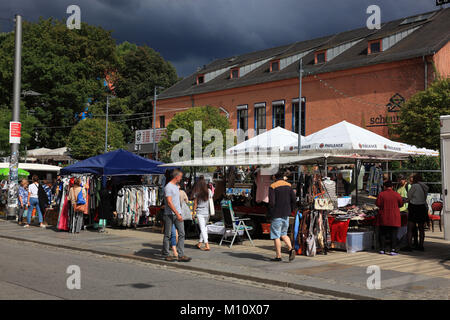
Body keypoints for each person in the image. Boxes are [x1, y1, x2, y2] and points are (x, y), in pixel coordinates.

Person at [162, 169, 191, 262]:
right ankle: (166, 254)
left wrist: (179, 213)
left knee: (182, 233)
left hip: (178, 213)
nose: (181, 178)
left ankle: (181, 254)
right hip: (169, 214)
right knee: (168, 234)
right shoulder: (168, 187)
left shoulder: (175, 186)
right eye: (181, 176)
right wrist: (177, 213)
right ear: (176, 176)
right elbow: (170, 202)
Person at [268, 171, 296, 262]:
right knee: (284, 234)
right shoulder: (288, 185)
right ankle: (291, 249)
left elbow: (271, 202)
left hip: (276, 214)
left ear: (275, 177)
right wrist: (291, 209)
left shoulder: (273, 186)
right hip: (286, 213)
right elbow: (294, 199)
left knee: (276, 235)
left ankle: (278, 256)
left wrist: (270, 211)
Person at [375, 180, 403, 255]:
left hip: (383, 216)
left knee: (383, 233)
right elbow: (401, 204)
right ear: (392, 187)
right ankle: (393, 249)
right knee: (393, 234)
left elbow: (378, 204)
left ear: (384, 187)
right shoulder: (397, 194)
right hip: (394, 217)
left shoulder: (381, 194)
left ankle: (382, 249)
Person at [406, 174, 429, 251]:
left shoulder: (414, 186)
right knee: (421, 228)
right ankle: (421, 245)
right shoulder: (425, 187)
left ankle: (409, 246)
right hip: (422, 207)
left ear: (415, 179)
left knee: (410, 227)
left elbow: (408, 196)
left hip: (414, 207)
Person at [192, 177, 213, 251]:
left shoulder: (197, 193)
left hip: (200, 212)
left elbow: (195, 204)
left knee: (203, 228)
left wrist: (193, 212)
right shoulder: (209, 191)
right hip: (207, 212)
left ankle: (207, 245)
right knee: (204, 227)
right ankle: (200, 243)